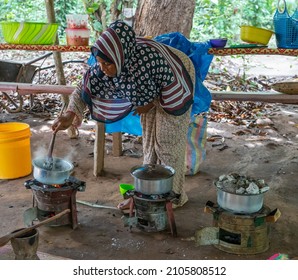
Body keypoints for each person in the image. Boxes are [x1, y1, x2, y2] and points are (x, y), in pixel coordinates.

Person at [52, 20, 195, 208]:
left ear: (119, 59)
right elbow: (83, 88)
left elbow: (160, 89)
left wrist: (150, 103)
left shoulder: (147, 63)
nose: (102, 68)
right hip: (152, 83)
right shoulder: (110, 58)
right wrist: (70, 113)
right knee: (151, 141)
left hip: (176, 76)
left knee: (167, 141)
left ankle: (172, 198)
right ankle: (147, 196)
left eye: (107, 64)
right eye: (100, 62)